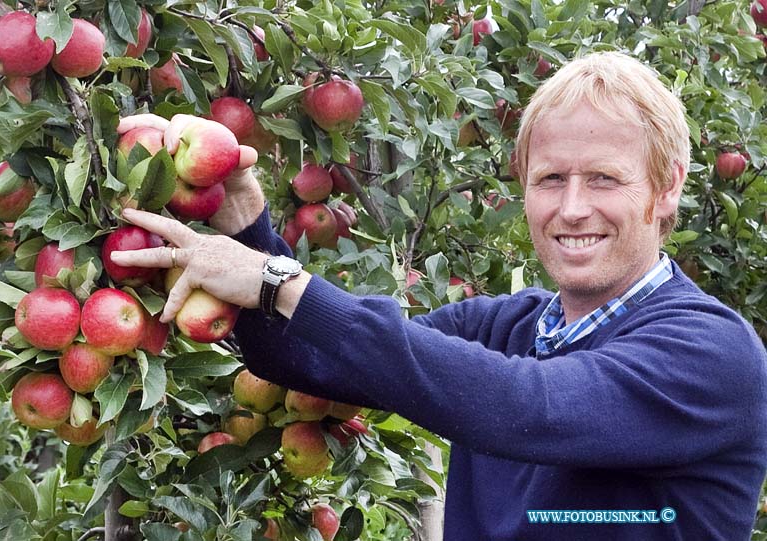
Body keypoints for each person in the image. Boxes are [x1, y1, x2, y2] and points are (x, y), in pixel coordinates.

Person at [112, 52, 767, 540]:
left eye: (603, 178)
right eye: (550, 178)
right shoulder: (504, 328)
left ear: (667, 186)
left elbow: (530, 409)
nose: (571, 208)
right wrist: (247, 227)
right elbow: (311, 359)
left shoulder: (709, 351)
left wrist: (275, 279)